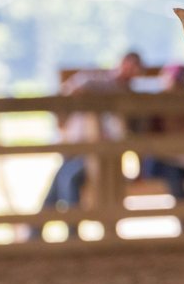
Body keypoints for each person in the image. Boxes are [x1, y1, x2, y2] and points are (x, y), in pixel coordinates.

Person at [43, 51, 144, 211]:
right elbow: (69, 93)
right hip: (79, 148)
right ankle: (40, 228)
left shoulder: (128, 99)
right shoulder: (96, 81)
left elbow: (132, 134)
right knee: (62, 178)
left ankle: (61, 228)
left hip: (100, 154)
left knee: (67, 178)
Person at [138, 64, 184, 200]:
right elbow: (148, 137)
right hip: (162, 158)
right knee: (175, 180)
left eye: (180, 81)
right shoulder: (155, 105)